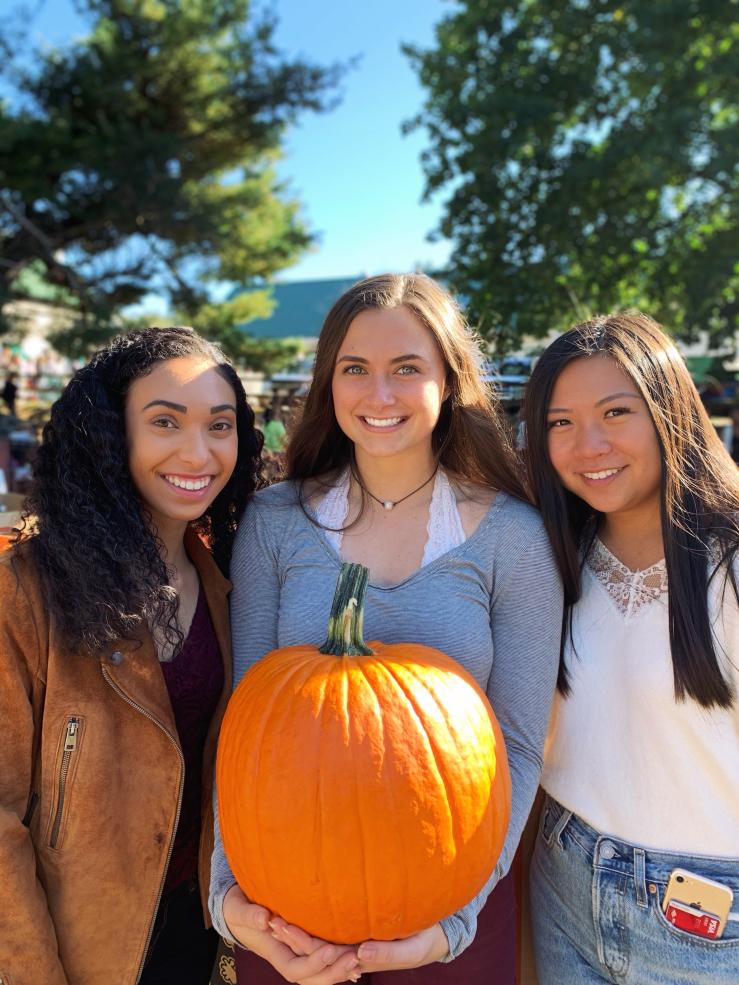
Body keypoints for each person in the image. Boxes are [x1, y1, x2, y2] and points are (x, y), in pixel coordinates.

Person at [209, 273, 563, 984]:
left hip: (447, 920)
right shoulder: (276, 522)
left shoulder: (513, 538)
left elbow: (520, 743)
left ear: (448, 380)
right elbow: (242, 724)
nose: (379, 394)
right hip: (286, 922)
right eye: (355, 370)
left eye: (407, 369)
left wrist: (453, 920)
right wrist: (230, 897)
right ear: (327, 382)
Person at [0, 326, 263, 985]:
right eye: (165, 421)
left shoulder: (228, 585)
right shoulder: (27, 589)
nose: (197, 451)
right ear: (114, 435)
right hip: (75, 945)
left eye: (219, 424)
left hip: (192, 931)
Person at [522, 312, 739, 985]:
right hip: (562, 879)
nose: (588, 444)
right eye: (559, 422)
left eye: (615, 411)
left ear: (668, 411)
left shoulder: (728, 563)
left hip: (703, 915)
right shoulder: (555, 554)